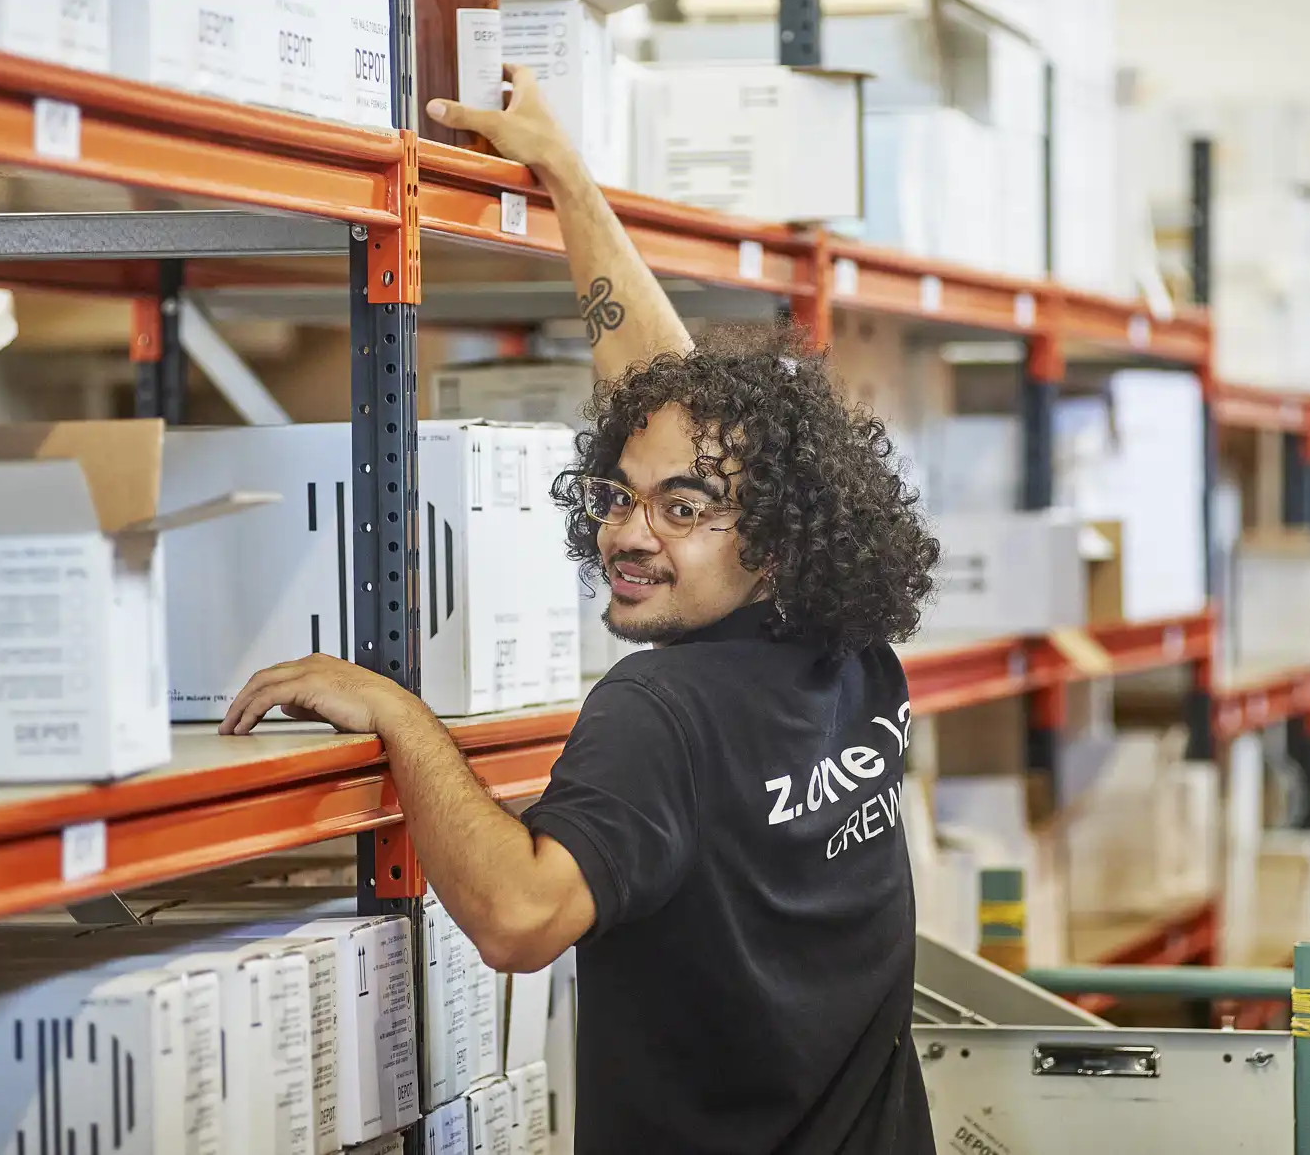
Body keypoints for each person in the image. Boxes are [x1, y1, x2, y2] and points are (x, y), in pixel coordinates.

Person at [221, 66, 942, 1154]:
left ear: (779, 536)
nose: (630, 532)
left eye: (683, 510)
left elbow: (519, 918)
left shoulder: (660, 708)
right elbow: (671, 401)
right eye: (620, 496)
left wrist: (402, 717)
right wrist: (565, 178)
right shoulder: (848, 651)